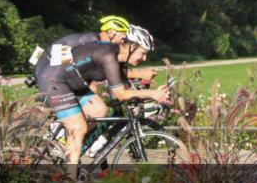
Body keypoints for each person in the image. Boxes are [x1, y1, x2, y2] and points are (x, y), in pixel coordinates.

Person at [36, 28, 170, 171]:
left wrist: (148, 95)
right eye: (143, 53)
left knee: (100, 110)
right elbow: (121, 94)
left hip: (74, 84)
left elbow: (122, 88)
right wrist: (153, 94)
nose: (144, 59)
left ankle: (67, 151)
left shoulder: (118, 57)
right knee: (78, 129)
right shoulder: (109, 56)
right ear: (132, 47)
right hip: (55, 81)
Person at [31, 15, 158, 84]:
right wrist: (138, 74)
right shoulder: (92, 42)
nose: (123, 42)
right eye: (122, 38)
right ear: (110, 33)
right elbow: (104, 69)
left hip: (56, 62)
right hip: (47, 62)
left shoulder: (102, 46)